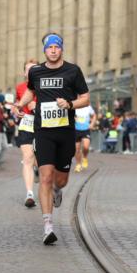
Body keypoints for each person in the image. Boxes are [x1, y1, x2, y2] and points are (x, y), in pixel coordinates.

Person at [13, 34, 90, 245]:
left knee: (61, 180)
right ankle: (48, 227)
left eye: (57, 47)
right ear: (44, 50)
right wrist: (20, 105)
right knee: (45, 176)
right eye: (50, 47)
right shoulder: (36, 71)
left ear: (61, 49)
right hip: (43, 131)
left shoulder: (73, 71)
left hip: (65, 132)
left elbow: (85, 98)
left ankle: (57, 190)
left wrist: (70, 104)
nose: (53, 50)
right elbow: (30, 91)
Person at [15, 60, 39, 207]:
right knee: (27, 158)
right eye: (28, 70)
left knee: (40, 160)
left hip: (43, 124)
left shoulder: (44, 84)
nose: (30, 72)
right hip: (26, 124)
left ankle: (38, 170)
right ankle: (29, 193)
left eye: (34, 69)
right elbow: (17, 104)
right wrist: (17, 111)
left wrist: (38, 105)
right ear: (24, 72)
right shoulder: (20, 87)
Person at [73, 101, 95, 171]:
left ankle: (85, 157)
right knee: (77, 149)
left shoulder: (88, 106)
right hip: (76, 130)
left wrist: (92, 124)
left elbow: (94, 115)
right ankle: (78, 164)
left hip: (86, 129)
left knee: (86, 147)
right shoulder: (74, 106)